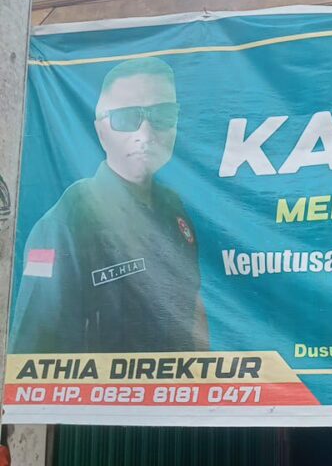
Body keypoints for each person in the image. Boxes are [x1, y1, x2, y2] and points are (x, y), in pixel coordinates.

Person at [10, 56, 209, 354]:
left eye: (162, 115)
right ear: (101, 131)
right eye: (125, 118)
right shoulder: (64, 225)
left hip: (177, 382)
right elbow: (31, 354)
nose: (145, 134)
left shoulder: (175, 210)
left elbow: (192, 310)